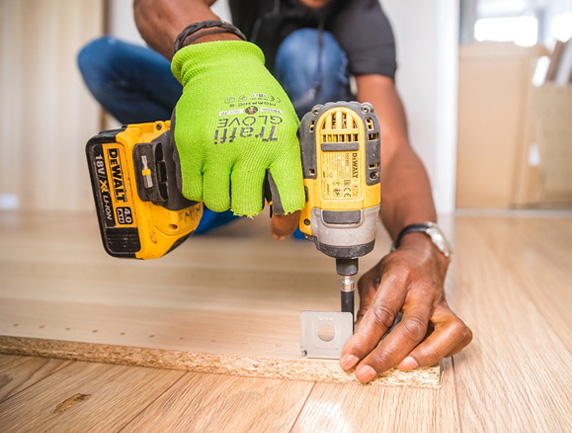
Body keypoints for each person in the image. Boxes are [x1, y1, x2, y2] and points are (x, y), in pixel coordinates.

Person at [78, 0, 472, 384]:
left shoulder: (363, 14)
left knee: (307, 51)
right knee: (103, 59)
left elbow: (393, 146)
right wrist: (218, 57)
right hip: (228, 107)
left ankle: (280, 194)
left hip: (298, 144)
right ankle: (222, 182)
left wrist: (422, 242)